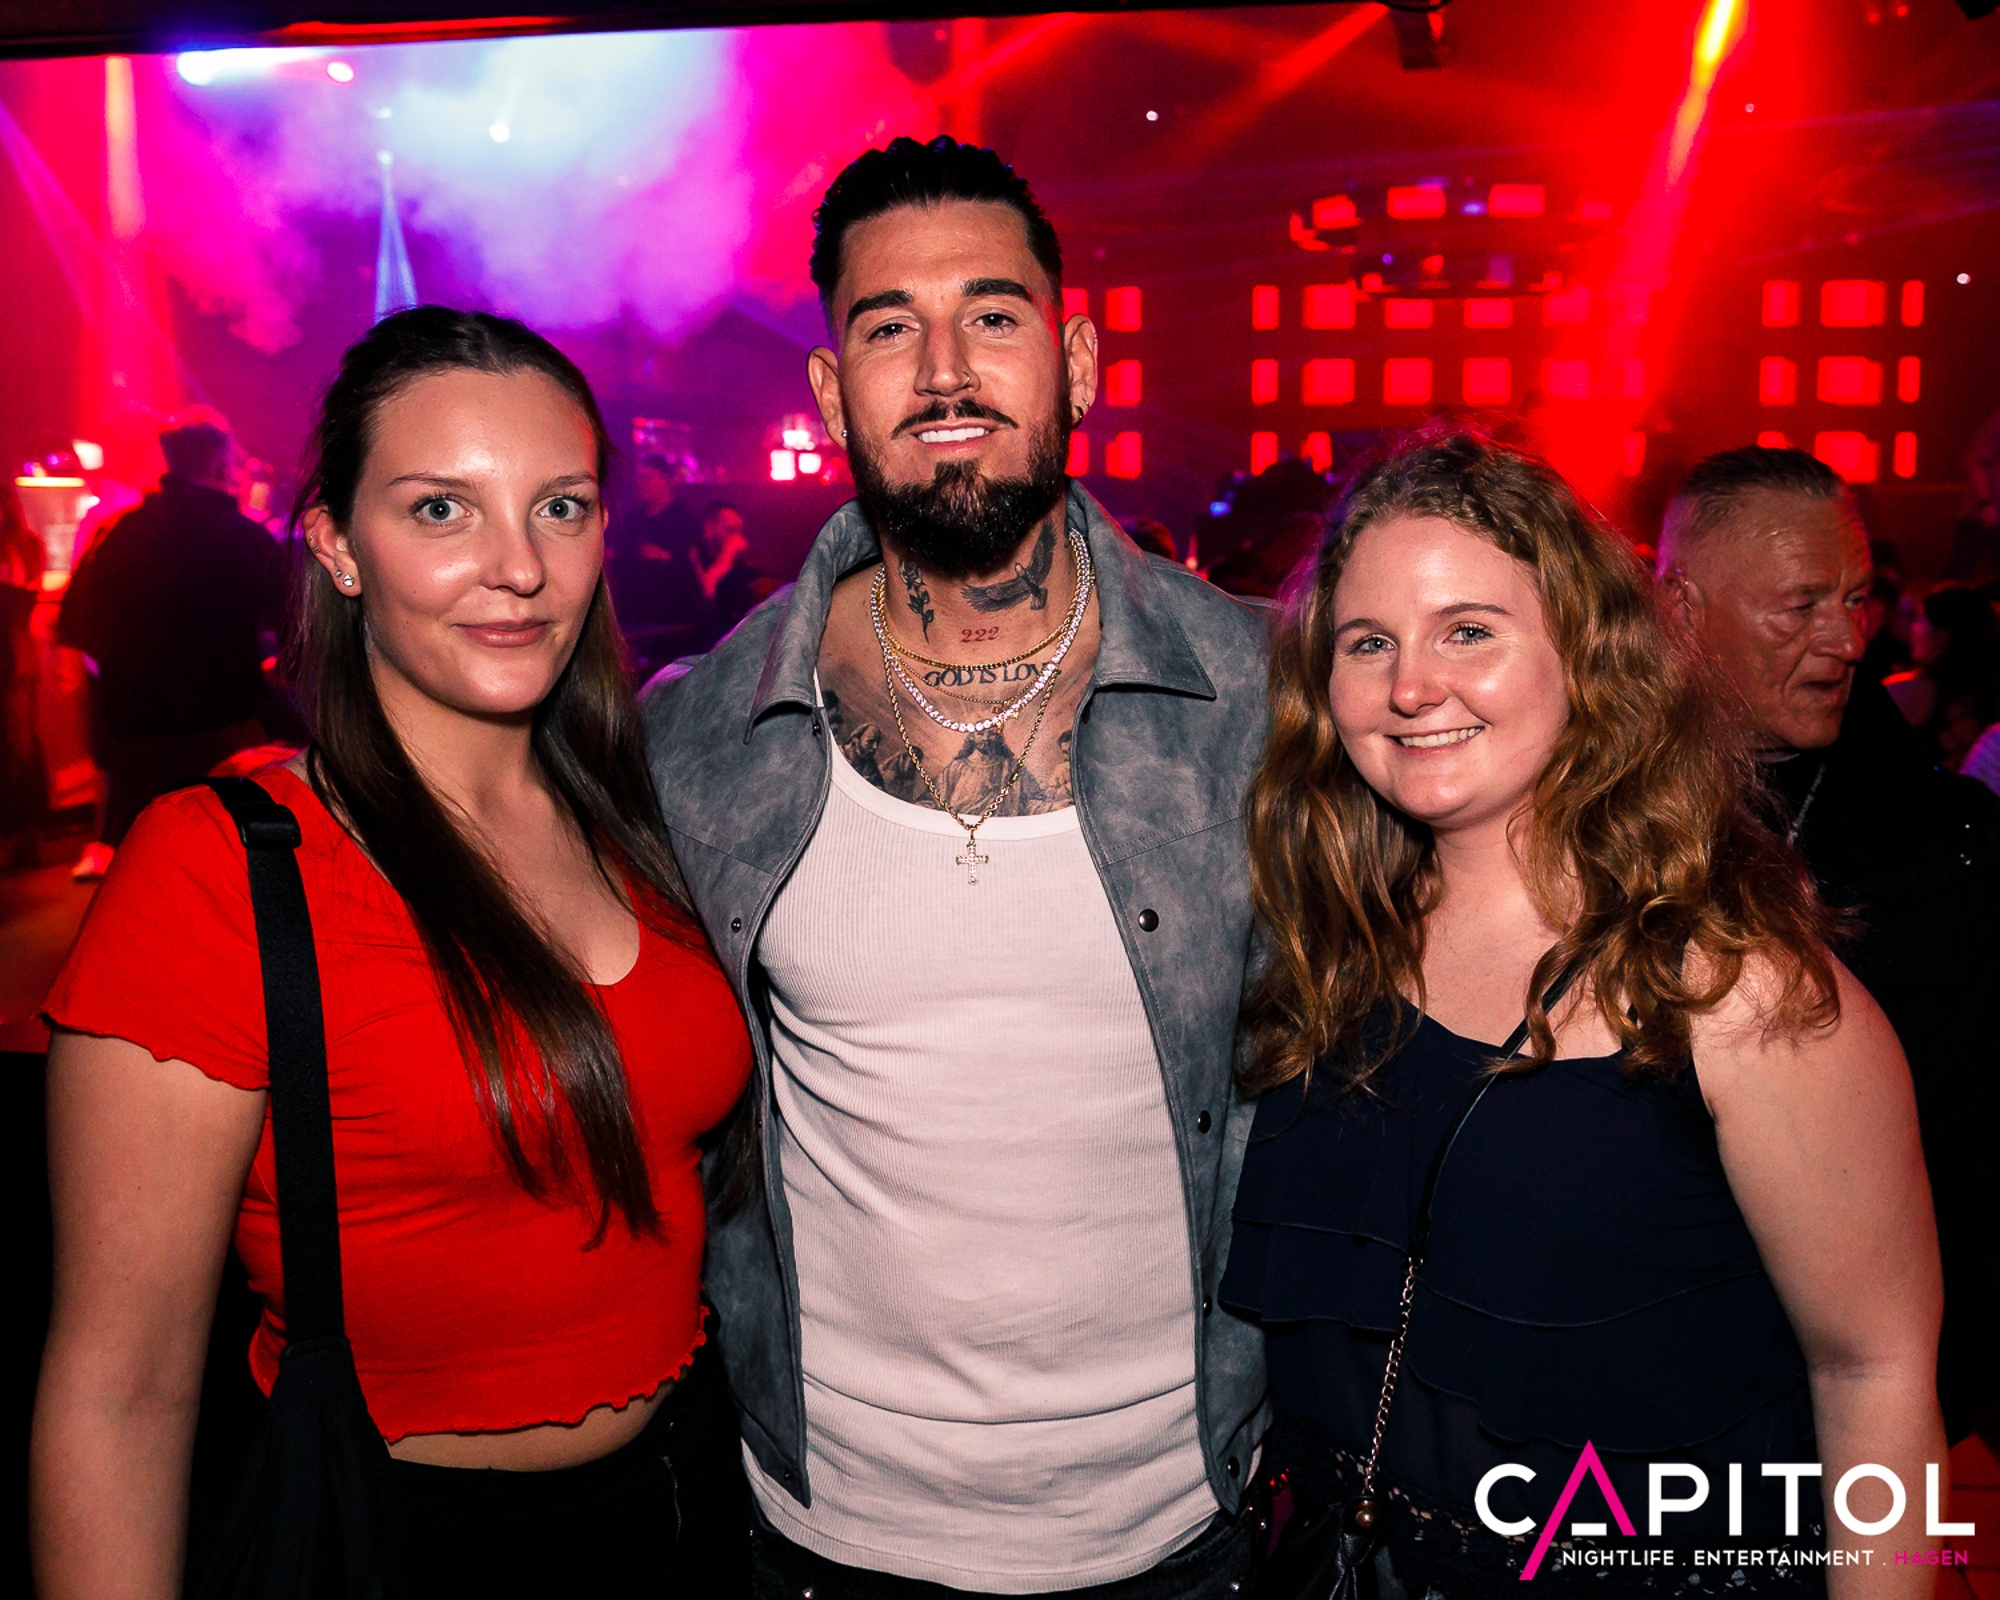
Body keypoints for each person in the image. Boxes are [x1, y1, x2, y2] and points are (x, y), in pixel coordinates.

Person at [31, 308, 754, 1598]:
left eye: (560, 507)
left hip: (687, 1506)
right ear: (336, 545)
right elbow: (119, 1391)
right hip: (394, 1542)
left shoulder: (643, 815)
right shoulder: (219, 868)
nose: (518, 567)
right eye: (439, 510)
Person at [644, 135, 1272, 1597]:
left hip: (1182, 1520)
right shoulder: (698, 735)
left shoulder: (1264, 696)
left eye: (991, 316)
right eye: (889, 328)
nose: (943, 372)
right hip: (827, 1528)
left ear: (1077, 361)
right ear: (830, 391)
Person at [1226, 429, 1944, 1596]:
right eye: (1368, 642)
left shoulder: (1739, 993)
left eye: (1467, 631)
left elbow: (1874, 1374)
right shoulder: (1324, 940)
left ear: (1584, 650)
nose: (1410, 687)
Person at [1658, 444, 2000, 1446]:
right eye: (1799, 605)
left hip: (1837, 1410)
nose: (1847, 639)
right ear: (1680, 610)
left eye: (1854, 600)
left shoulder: (1946, 852)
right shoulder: (1570, 818)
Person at [55, 413, 288, 853]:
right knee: (232, 858)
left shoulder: (120, 534)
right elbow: (295, 630)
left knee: (153, 858)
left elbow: (77, 625)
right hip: (225, 724)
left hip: (139, 731)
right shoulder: (247, 538)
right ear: (219, 464)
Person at [1883, 583, 2000, 770]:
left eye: (1920, 618)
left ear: (1940, 636)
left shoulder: (1907, 691)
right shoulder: (1987, 704)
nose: (1913, 627)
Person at [0, 479, 46, 854]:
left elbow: (19, 599)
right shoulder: (25, 544)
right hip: (15, 649)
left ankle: (23, 831)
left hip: (13, 652)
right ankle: (24, 832)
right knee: (17, 739)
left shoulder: (22, 545)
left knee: (18, 740)